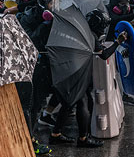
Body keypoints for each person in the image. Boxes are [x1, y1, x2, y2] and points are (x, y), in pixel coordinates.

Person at [48, 10, 127, 148]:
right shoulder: (90, 37)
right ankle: (83, 138)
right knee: (84, 103)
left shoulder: (80, 32)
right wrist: (118, 42)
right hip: (78, 75)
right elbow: (104, 54)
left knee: (68, 104)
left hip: (67, 71)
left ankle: (55, 134)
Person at [17, 0, 63, 155]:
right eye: (52, 2)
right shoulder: (29, 17)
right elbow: (29, 41)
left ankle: (30, 137)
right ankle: (29, 141)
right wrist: (45, 24)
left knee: (40, 102)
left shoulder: (51, 16)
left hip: (45, 67)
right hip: (30, 68)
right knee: (32, 105)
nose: (55, 6)